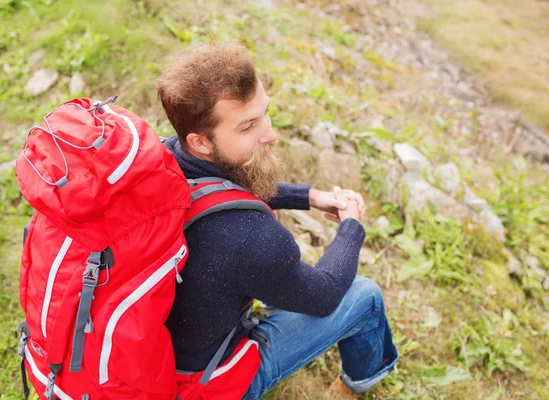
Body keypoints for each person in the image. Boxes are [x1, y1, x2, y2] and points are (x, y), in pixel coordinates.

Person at [157, 43, 398, 399]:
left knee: (269, 281)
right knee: (365, 296)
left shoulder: (163, 159)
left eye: (264, 113)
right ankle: (360, 383)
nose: (269, 134)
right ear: (202, 142)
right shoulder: (250, 239)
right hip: (205, 383)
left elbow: (223, 187)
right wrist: (351, 226)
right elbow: (326, 294)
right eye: (248, 127)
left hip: (159, 352)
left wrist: (310, 197)